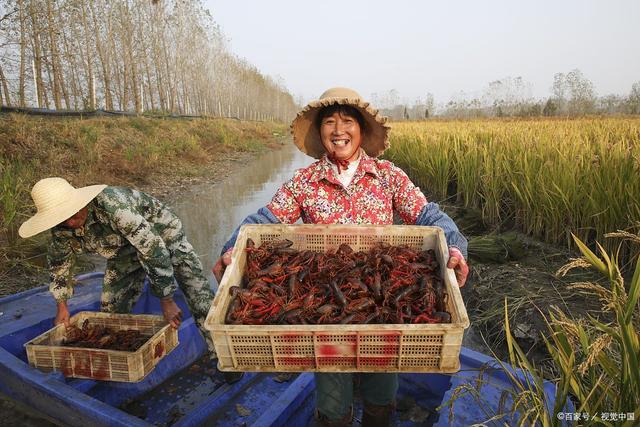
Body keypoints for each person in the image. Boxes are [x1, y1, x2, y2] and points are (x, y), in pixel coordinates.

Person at [213, 87, 469, 426]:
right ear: (320, 133)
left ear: (361, 129)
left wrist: (454, 247)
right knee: (333, 404)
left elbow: (430, 217)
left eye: (347, 121)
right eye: (329, 122)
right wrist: (231, 250)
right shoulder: (303, 183)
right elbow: (263, 223)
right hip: (327, 314)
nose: (338, 130)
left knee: (382, 392)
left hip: (385, 319)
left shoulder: (390, 177)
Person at [18, 178, 243, 384]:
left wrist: (166, 299)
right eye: (62, 217)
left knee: (198, 297)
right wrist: (62, 306)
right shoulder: (62, 227)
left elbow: (154, 251)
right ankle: (115, 366)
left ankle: (225, 359)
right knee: (109, 312)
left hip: (163, 236)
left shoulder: (114, 207)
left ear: (80, 201)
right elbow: (59, 264)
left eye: (72, 214)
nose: (69, 220)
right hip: (123, 250)